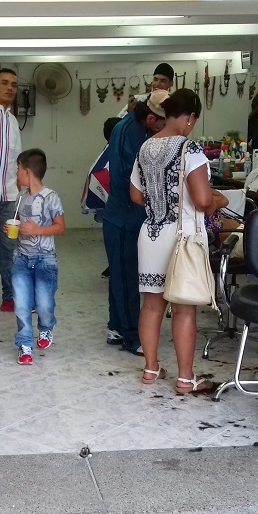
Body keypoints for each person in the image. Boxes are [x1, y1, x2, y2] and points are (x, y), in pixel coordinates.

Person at [130, 88, 227, 395]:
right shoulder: (190, 148)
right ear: (190, 117)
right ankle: (186, 378)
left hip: (151, 234)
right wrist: (219, 200)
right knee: (184, 309)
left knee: (151, 305)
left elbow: (135, 195)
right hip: (182, 238)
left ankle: (151, 368)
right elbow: (202, 200)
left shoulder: (146, 147)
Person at [102, 90, 169, 354]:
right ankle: (132, 336)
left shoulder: (138, 129)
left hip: (129, 215)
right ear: (151, 119)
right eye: (163, 123)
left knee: (121, 275)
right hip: (124, 217)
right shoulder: (128, 132)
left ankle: (117, 327)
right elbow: (126, 179)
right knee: (127, 278)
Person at [7, 149, 65, 365]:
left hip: (45, 259)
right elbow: (18, 222)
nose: (16, 173)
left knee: (44, 305)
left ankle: (46, 327)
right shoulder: (20, 197)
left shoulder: (51, 197)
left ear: (28, 172)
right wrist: (11, 228)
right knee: (21, 303)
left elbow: (60, 227)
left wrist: (37, 230)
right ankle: (24, 345)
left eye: (18, 169)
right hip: (21, 257)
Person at [0, 68, 24, 313]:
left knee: (10, 249)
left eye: (14, 85)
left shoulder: (13, 121)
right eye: (4, 83)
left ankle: (10, 297)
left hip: (9, 197)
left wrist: (21, 191)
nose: (10, 88)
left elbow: (16, 159)